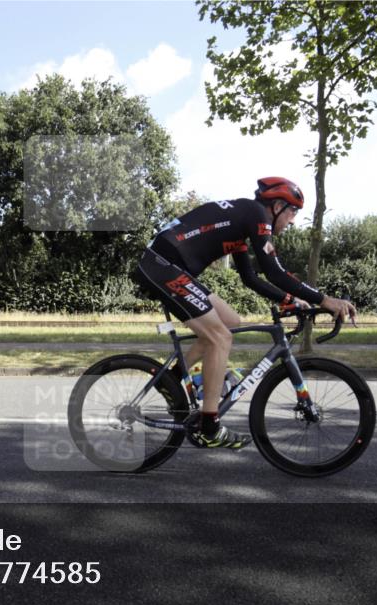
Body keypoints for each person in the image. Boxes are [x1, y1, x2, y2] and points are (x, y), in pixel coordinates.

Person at [132, 177, 357, 448]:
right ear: (276, 206)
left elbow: (250, 278)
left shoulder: (242, 223)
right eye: (292, 211)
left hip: (170, 267)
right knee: (220, 338)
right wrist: (325, 299)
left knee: (230, 322)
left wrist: (289, 299)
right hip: (163, 266)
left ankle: (172, 379)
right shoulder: (255, 214)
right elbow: (274, 270)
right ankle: (209, 427)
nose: (293, 220)